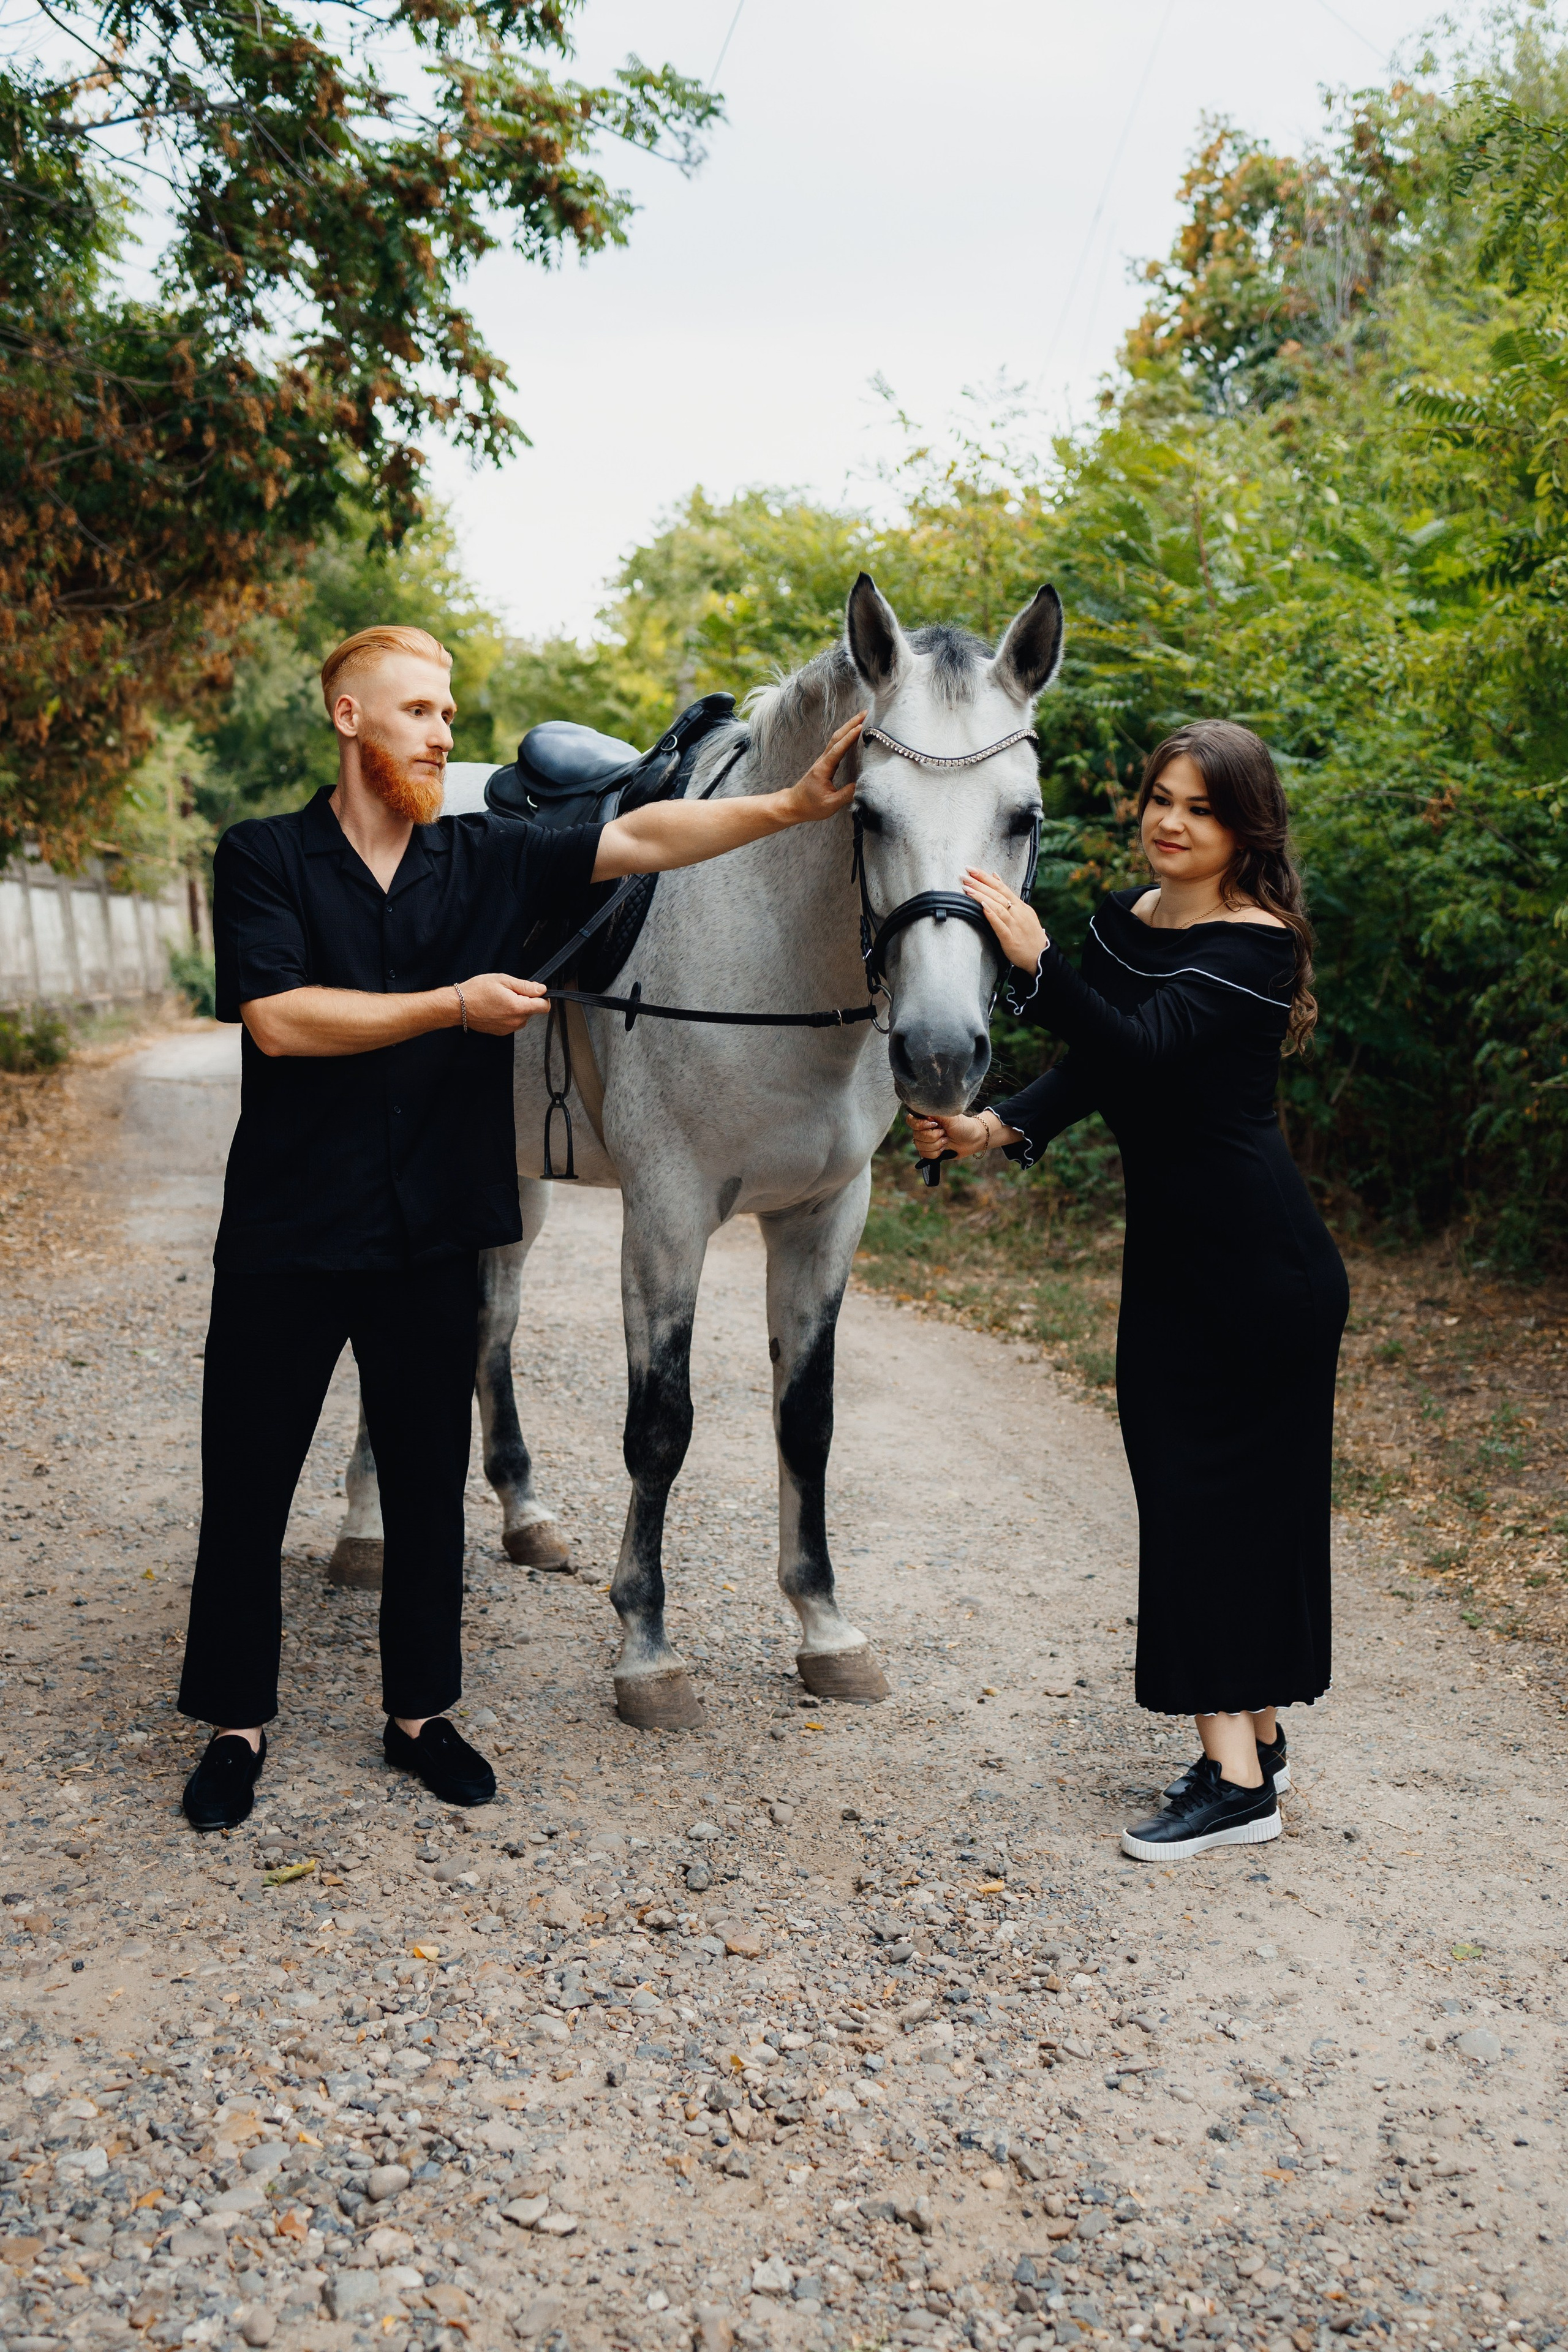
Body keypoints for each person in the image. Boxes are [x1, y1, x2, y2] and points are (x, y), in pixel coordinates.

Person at [179, 624, 864, 1830]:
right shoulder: (264, 857)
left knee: (432, 1488)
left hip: (436, 1229)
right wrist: (452, 1005)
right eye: (416, 712)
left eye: (448, 713)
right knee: (247, 1486)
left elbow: (644, 838)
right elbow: (281, 1021)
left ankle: (419, 1719)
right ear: (348, 719)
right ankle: (237, 1727)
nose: (443, 732)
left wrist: (788, 807)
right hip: (291, 1230)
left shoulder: (483, 858)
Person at [910, 719, 1348, 1862]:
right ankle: (1255, 1737)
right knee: (1203, 1499)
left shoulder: (1258, 948)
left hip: (1262, 1272)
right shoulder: (1133, 922)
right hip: (1180, 1262)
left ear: (1244, 827)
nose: (1169, 821)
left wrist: (1037, 963)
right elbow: (1100, 1065)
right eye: (1160, 797)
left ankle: (1233, 1782)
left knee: (1216, 1506)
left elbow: (1149, 1046)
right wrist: (993, 1126)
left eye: (1200, 808)